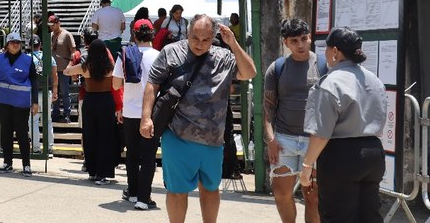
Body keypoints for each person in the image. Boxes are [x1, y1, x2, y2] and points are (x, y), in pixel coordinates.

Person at [141, 15, 257, 223]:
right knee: (177, 191)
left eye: (206, 40)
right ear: (187, 33)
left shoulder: (224, 57)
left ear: (213, 37)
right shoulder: (171, 52)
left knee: (211, 189)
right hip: (177, 135)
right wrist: (146, 117)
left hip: (213, 139)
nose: (199, 44)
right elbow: (153, 84)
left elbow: (249, 72)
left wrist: (233, 43)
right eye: (195, 38)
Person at [301, 27, 387, 223]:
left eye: (327, 48)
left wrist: (307, 165)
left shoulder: (330, 83)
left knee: (338, 216)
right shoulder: (374, 80)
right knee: (370, 216)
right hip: (373, 152)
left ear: (335, 51)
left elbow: (321, 132)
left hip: (342, 155)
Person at [264, 18, 323, 223]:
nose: (300, 45)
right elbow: (268, 107)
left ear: (310, 38)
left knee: (313, 197)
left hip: (314, 141)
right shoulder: (277, 68)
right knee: (281, 194)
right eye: (294, 41)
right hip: (284, 139)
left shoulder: (323, 66)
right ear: (286, 42)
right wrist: (271, 139)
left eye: (304, 39)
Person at [113, 19, 160, 210]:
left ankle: (132, 193)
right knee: (148, 156)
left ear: (134, 34)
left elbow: (115, 84)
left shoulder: (125, 54)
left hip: (130, 112)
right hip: (151, 114)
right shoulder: (159, 56)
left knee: (132, 154)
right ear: (152, 34)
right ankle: (143, 198)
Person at [65, 39, 117, 185]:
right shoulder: (110, 67)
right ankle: (102, 174)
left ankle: (92, 171)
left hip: (90, 101)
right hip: (106, 101)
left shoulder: (85, 67)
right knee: (105, 137)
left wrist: (71, 61)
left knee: (90, 136)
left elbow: (67, 71)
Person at [0, 32, 39, 176]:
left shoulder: (28, 60)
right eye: (13, 42)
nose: (16, 45)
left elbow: (34, 81)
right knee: (6, 132)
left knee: (22, 133)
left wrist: (35, 101)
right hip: (3, 101)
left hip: (21, 103)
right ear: (7, 44)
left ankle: (26, 165)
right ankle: (7, 163)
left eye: (18, 42)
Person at [29, 34, 56, 154]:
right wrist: (55, 90)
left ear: (29, 45)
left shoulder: (27, 58)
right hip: (46, 91)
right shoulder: (48, 57)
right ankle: (49, 147)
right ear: (40, 44)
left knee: (33, 120)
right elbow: (54, 75)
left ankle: (36, 147)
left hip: (33, 92)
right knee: (48, 120)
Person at [50, 15, 78, 123]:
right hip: (53, 69)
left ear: (58, 23)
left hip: (63, 68)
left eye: (53, 25)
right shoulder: (51, 35)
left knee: (65, 92)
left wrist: (70, 64)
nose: (51, 27)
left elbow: (73, 51)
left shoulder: (66, 35)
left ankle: (67, 114)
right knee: (55, 92)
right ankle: (55, 113)